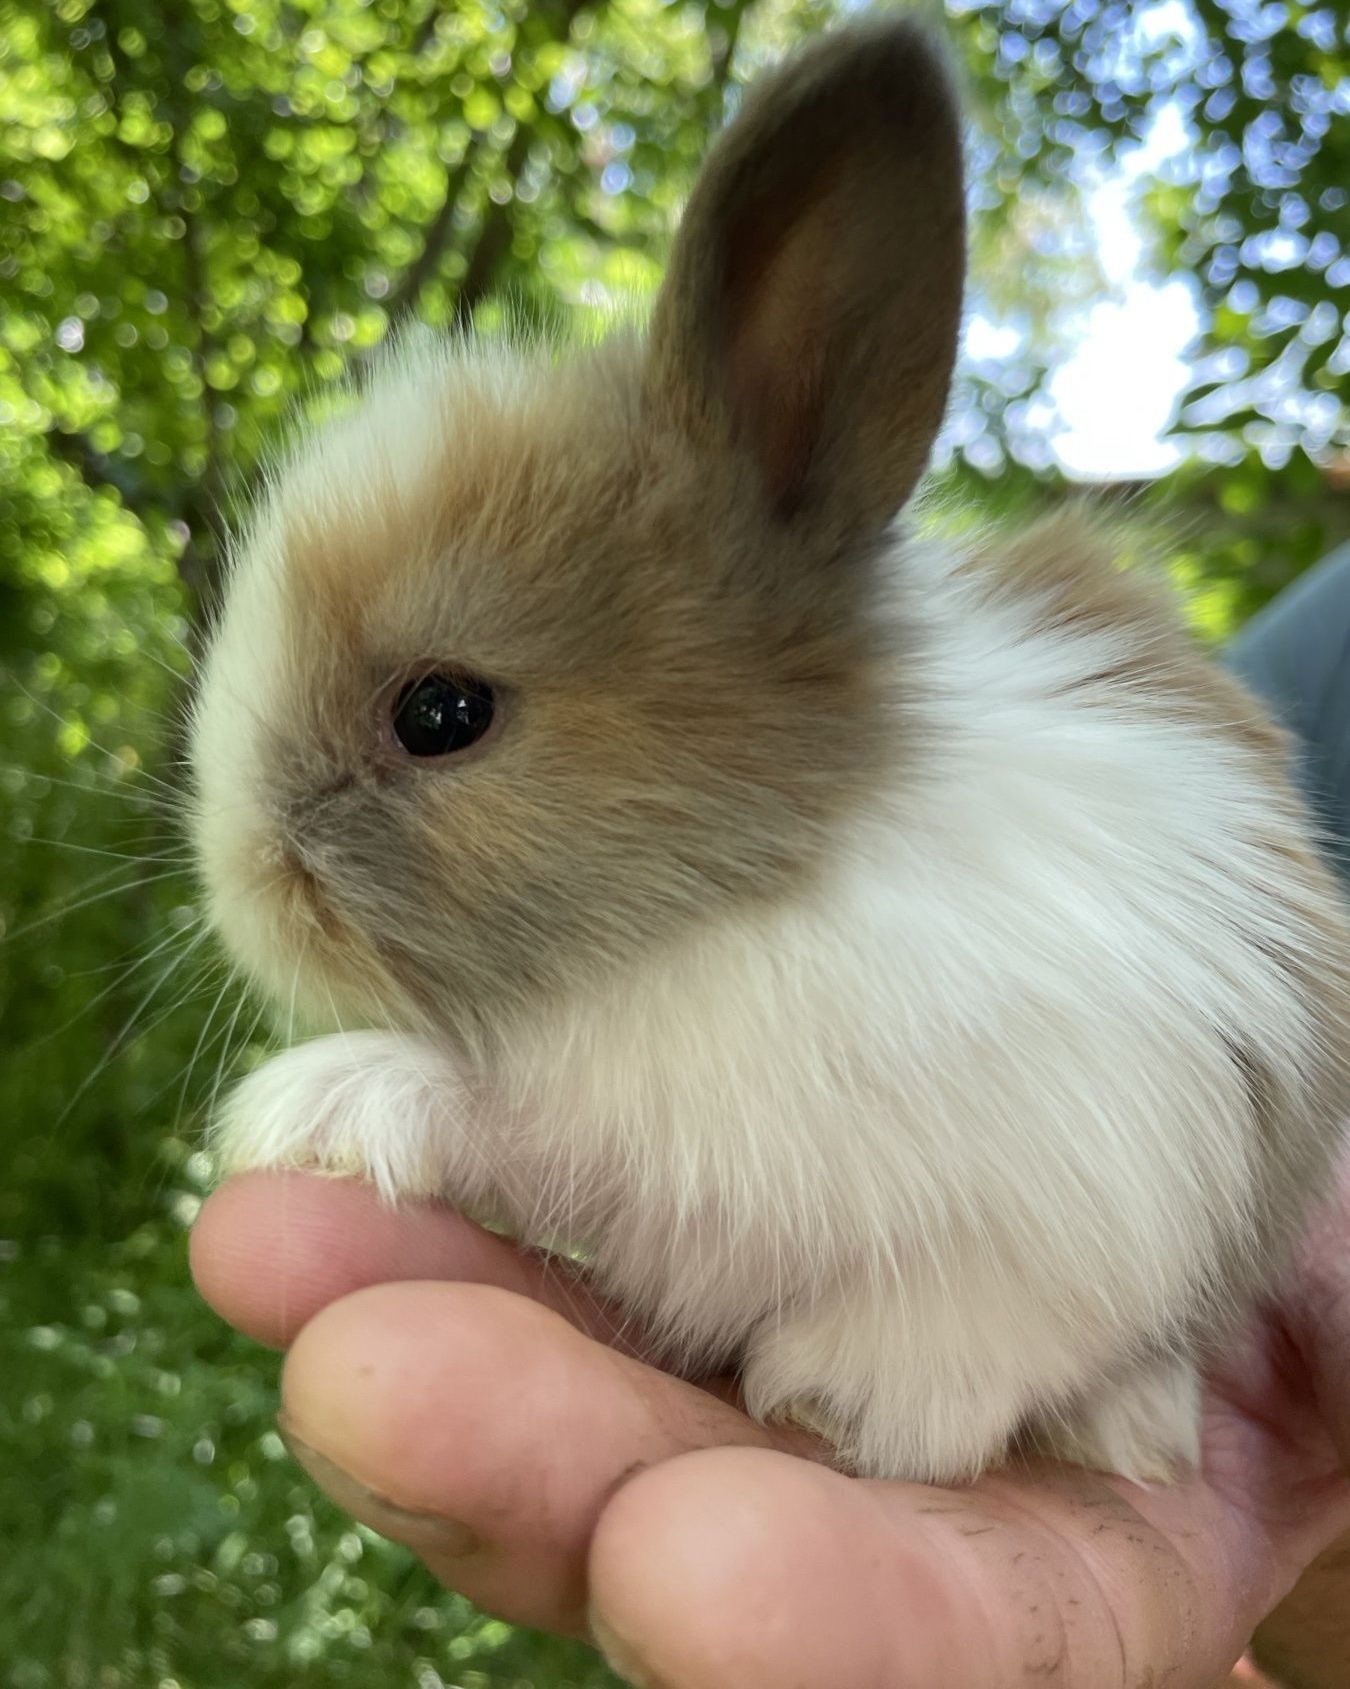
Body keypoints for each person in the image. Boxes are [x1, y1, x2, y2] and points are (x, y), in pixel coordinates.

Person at [190, 545, 1350, 1689]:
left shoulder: (859, 924)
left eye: (439, 719)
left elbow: (716, 1178)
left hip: (1110, 1256)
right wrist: (464, 1114)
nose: (276, 862)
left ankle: (1043, 1351)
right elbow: (645, 1177)